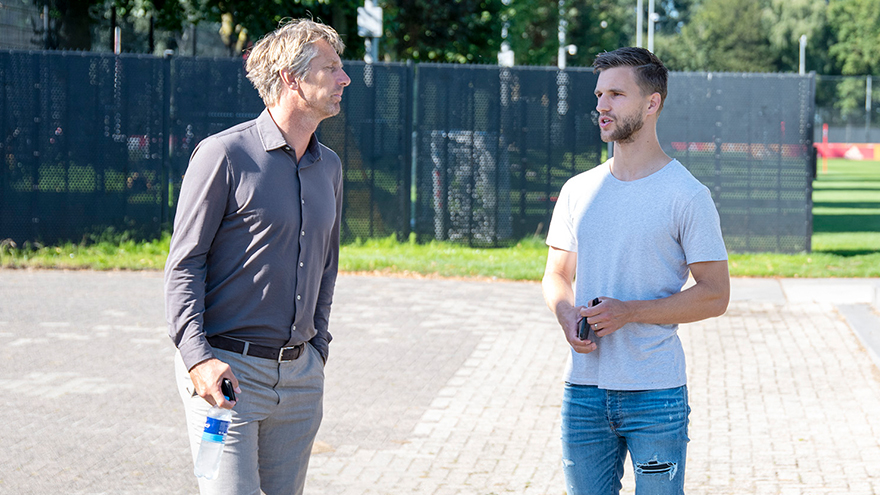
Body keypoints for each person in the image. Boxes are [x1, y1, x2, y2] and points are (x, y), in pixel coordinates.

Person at [164, 19, 350, 495]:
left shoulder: (329, 167)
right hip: (225, 378)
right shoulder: (223, 155)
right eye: (331, 68)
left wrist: (316, 352)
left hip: (300, 380)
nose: (344, 78)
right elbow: (184, 264)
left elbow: (326, 266)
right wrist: (198, 361)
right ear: (291, 78)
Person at [541, 47, 730, 494]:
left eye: (616, 94)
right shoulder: (578, 190)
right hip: (583, 391)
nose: (602, 106)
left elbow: (715, 294)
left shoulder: (687, 195)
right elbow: (557, 275)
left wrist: (630, 312)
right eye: (599, 95)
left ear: (651, 103)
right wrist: (565, 313)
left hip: (655, 393)